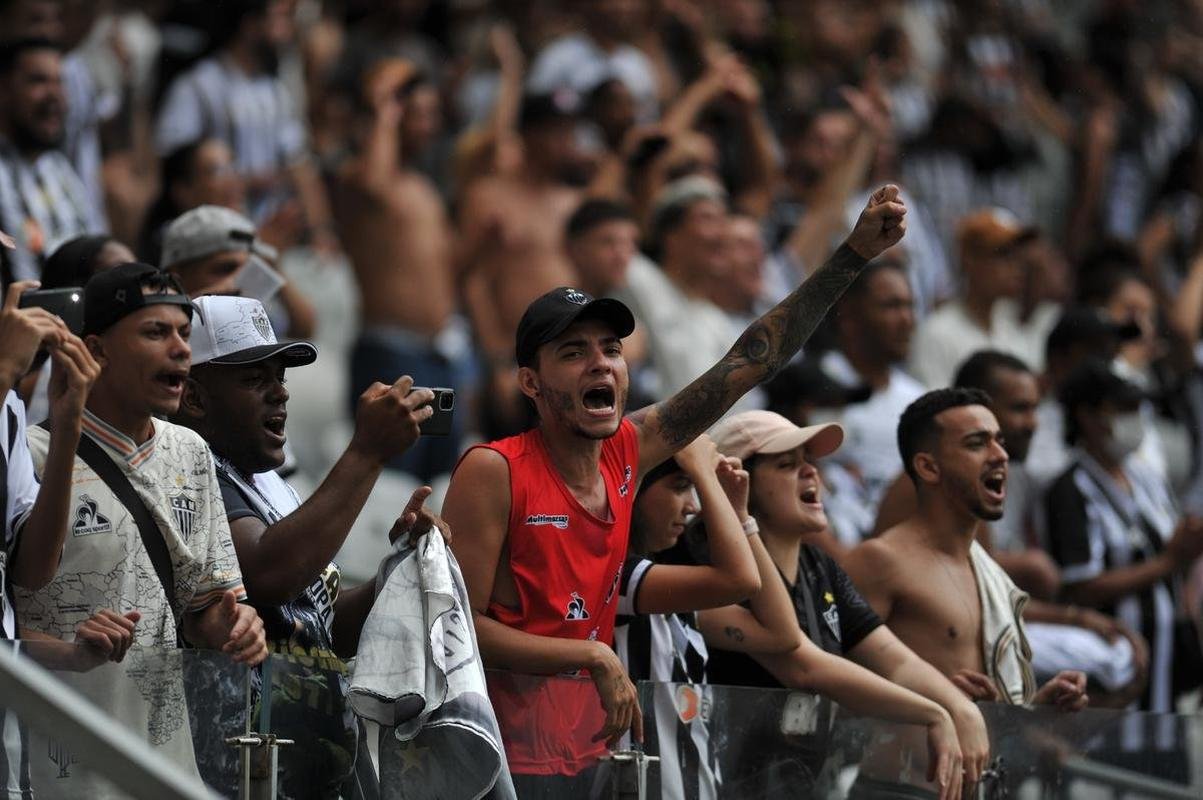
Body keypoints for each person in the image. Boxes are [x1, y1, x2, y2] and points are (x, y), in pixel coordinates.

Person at [443, 185, 910, 790]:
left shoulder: (628, 449)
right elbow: (459, 628)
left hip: (593, 756)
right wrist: (588, 654)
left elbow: (752, 360)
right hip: (500, 760)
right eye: (574, 352)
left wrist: (850, 257)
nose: (601, 364)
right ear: (531, 383)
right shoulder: (495, 469)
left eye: (611, 349)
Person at [175, 294, 446, 798]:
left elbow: (323, 628)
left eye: (280, 377)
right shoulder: (187, 469)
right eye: (255, 380)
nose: (279, 394)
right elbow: (268, 574)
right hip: (238, 766)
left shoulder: (274, 483)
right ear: (194, 397)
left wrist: (399, 566)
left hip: (306, 763)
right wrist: (367, 452)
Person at [697, 410, 990, 799]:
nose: (811, 474)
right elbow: (804, 668)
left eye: (810, 463)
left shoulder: (821, 569)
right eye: (787, 464)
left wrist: (960, 708)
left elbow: (895, 660)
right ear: (735, 482)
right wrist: (933, 711)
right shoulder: (712, 564)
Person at [845, 389, 1089, 716]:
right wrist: (939, 699)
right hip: (896, 767)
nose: (1000, 454)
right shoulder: (879, 561)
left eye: (999, 441)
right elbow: (830, 685)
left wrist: (1035, 707)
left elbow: (982, 710)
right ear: (929, 468)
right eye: (977, 443)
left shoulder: (986, 570)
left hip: (980, 765)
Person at [615, 434, 800, 800]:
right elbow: (741, 580)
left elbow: (780, 632)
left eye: (695, 489)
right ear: (632, 488)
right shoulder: (617, 579)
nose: (693, 506)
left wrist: (741, 516)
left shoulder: (671, 594)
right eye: (681, 487)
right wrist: (703, 470)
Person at [334, 58, 470, 481]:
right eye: (420, 114)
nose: (430, 126)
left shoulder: (423, 189)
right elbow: (375, 181)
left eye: (434, 115)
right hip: (389, 352)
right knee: (391, 478)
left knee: (438, 476)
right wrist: (383, 107)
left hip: (440, 353)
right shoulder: (360, 177)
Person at [1044, 361, 1203, 715]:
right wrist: (1168, 563)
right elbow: (1080, 586)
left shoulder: (1145, 477)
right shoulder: (1070, 490)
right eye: (1123, 410)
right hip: (1114, 671)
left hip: (1168, 664)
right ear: (1087, 416)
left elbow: (1177, 552)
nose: (1135, 420)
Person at [154, 0, 336, 247]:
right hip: (215, 235)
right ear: (251, 25)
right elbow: (171, 161)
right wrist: (245, 181)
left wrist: (321, 233)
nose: (287, 32)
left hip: (277, 232)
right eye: (279, 20)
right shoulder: (199, 84)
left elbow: (300, 164)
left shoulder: (274, 90)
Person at [459, 89, 588, 436]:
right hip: (510, 356)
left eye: (569, 132)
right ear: (528, 135)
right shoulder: (489, 195)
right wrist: (499, 360)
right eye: (555, 132)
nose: (565, 143)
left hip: (568, 355)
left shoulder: (574, 202)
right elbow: (473, 280)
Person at [820, 259, 923, 542]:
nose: (907, 320)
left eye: (909, 306)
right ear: (849, 318)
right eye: (891, 306)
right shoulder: (814, 386)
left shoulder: (918, 400)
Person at [0, 38, 107, 284]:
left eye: (60, 82)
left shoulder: (59, 168)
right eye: (38, 81)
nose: (55, 95)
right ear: (4, 89)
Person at [907, 208, 1042, 388]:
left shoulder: (1011, 328)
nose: (1016, 267)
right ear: (969, 260)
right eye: (1003, 254)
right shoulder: (937, 333)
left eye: (1018, 256)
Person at [159, 204, 315, 339]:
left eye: (247, 268)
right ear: (177, 278)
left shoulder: (246, 315)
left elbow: (304, 328)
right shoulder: (158, 335)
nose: (236, 283)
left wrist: (272, 265)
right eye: (225, 269)